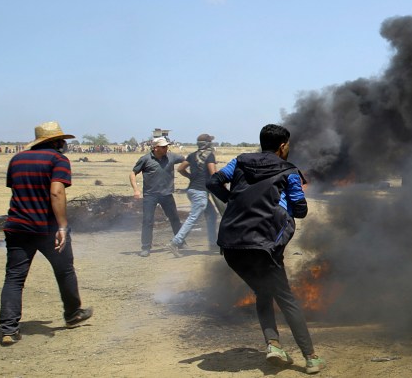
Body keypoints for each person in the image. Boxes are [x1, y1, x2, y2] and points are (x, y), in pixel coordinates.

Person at [207, 124, 326, 374]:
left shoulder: (240, 161)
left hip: (230, 244)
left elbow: (214, 181)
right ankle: (311, 357)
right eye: (288, 144)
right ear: (283, 146)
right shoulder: (289, 171)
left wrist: (234, 202)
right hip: (263, 245)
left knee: (263, 292)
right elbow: (301, 210)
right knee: (287, 299)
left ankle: (273, 344)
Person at [0, 121, 93, 346]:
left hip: (17, 226)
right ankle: (72, 314)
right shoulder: (58, 160)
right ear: (57, 142)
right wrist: (62, 226)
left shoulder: (17, 159)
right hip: (47, 228)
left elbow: (17, 190)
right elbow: (56, 192)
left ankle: (9, 330)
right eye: (63, 141)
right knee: (65, 270)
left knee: (14, 278)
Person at [130, 137, 185, 257]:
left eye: (166, 146)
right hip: (150, 195)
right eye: (163, 147)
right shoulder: (145, 159)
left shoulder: (171, 157)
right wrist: (136, 190)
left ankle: (181, 242)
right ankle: (145, 247)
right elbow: (133, 173)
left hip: (167, 194)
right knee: (148, 221)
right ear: (156, 148)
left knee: (174, 218)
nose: (166, 148)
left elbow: (186, 160)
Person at [166, 133, 218, 256]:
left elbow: (180, 169)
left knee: (212, 214)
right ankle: (175, 242)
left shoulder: (192, 155)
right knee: (193, 218)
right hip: (200, 192)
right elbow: (213, 173)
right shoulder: (209, 156)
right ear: (208, 144)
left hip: (192, 190)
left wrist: (190, 177)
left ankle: (212, 243)